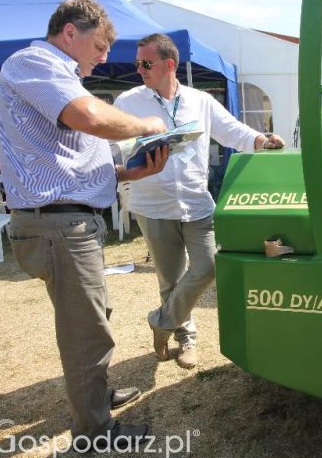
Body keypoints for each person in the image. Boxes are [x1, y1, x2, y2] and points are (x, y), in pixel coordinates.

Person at [0, 0, 169, 450]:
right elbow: (89, 118)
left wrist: (128, 173)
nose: (105, 56)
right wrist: (145, 124)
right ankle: (95, 431)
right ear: (70, 32)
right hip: (60, 225)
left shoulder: (54, 74)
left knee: (91, 320)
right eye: (100, 44)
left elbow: (63, 160)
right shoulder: (34, 61)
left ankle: (96, 400)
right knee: (85, 330)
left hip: (70, 221)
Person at [113, 33, 285, 369]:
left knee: (207, 266)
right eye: (137, 63)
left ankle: (161, 321)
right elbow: (112, 150)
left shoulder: (199, 100)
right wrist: (127, 168)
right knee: (170, 280)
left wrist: (261, 141)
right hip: (153, 206)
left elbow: (233, 131)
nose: (139, 70)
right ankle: (185, 338)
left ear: (169, 64)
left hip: (197, 203)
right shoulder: (127, 102)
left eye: (145, 63)